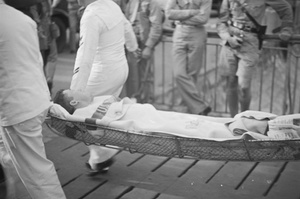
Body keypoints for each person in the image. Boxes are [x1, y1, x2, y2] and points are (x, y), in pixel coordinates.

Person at [0, 1, 66, 198]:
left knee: (38, 175)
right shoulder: (21, 19)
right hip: (33, 100)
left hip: (17, 109)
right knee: (14, 162)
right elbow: (37, 61)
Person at [53, 89, 300, 141]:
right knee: (189, 127)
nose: (82, 89)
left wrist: (121, 103)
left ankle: (247, 124)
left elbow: (123, 100)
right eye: (76, 91)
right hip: (142, 120)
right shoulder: (83, 112)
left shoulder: (97, 98)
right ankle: (243, 128)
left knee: (193, 120)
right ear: (74, 101)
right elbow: (102, 124)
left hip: (147, 111)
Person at [70, 0, 138, 176]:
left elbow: (85, 53)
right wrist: (133, 47)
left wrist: (75, 90)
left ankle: (105, 153)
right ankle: (99, 159)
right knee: (101, 114)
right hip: (119, 69)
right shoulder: (111, 5)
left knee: (80, 115)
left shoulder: (92, 15)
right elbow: (127, 27)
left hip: (102, 73)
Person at [217, 0, 293, 117]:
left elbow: (285, 8)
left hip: (250, 42)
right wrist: (228, 38)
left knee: (244, 86)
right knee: (231, 83)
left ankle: (243, 118)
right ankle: (233, 118)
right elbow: (221, 22)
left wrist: (286, 29)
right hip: (230, 41)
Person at [165, 0, 212, 116]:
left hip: (197, 34)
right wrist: (193, 12)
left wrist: (180, 17)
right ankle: (200, 107)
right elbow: (169, 14)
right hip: (180, 34)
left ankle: (186, 112)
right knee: (178, 73)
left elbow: (203, 18)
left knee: (192, 75)